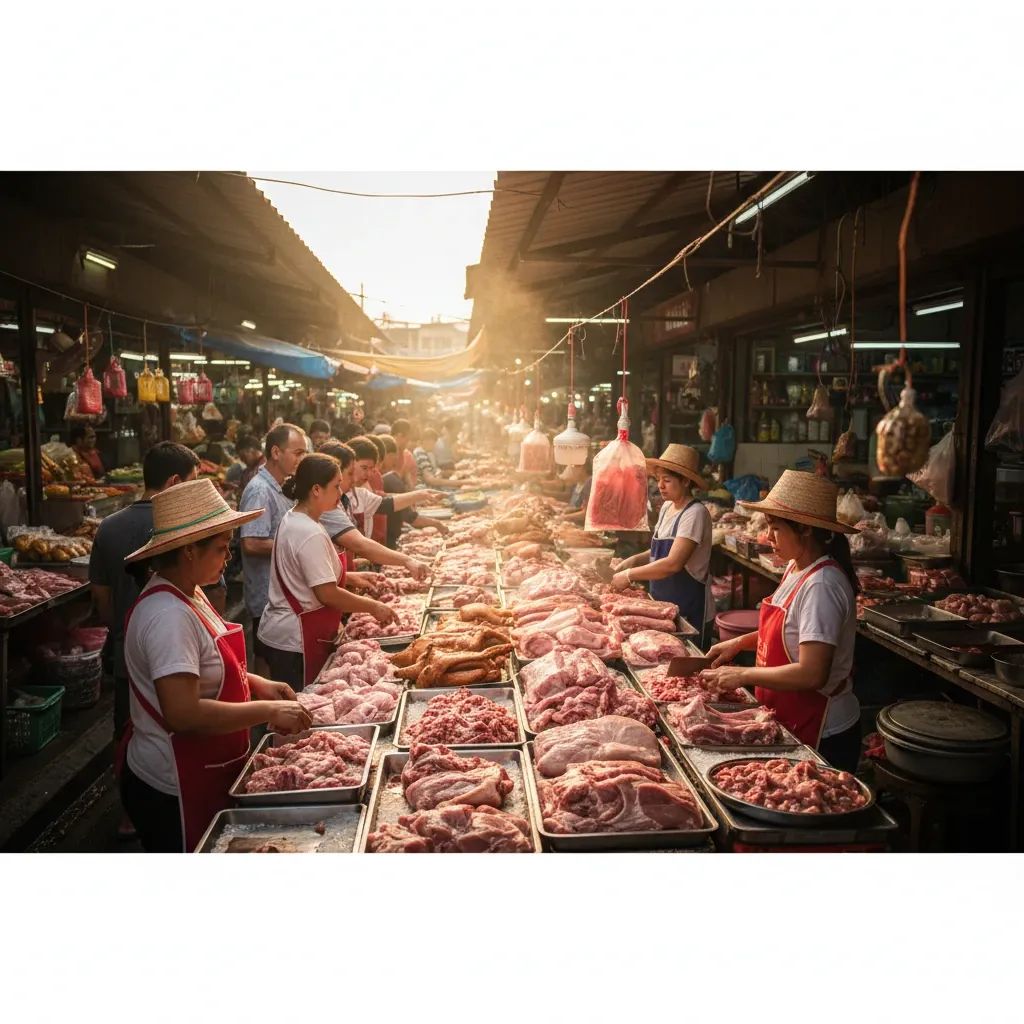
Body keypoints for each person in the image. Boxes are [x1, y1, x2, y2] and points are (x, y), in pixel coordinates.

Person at [120, 478, 312, 852]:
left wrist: (255, 683)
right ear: (190, 551)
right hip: (173, 783)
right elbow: (183, 713)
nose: (228, 558)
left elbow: (206, 668)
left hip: (205, 765)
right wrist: (268, 709)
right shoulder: (167, 616)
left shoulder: (189, 593)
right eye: (222, 548)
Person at [701, 470, 862, 770]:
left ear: (804, 530)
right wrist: (739, 643)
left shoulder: (821, 585)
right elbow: (789, 631)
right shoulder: (796, 567)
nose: (768, 536)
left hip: (823, 730)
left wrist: (744, 675)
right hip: (789, 715)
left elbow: (812, 673)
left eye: (775, 528)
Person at [90, 441, 202, 840]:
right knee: (171, 730)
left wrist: (125, 629)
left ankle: (127, 815)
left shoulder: (108, 528)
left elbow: (101, 601)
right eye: (192, 483)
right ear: (174, 482)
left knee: (131, 728)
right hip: (181, 648)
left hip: (127, 652)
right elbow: (186, 715)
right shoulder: (187, 529)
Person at [257, 454, 396, 688]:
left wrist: (351, 577)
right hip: (296, 638)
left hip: (293, 633)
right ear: (316, 490)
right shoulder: (308, 531)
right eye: (336, 486)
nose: (340, 492)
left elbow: (304, 575)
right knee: (302, 712)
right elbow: (327, 593)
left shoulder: (297, 518)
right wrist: (374, 607)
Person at [609, 445, 714, 644]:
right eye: (658, 480)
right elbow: (659, 552)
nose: (660, 486)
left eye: (667, 480)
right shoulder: (667, 507)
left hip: (689, 610)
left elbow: (673, 563)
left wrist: (629, 575)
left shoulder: (695, 513)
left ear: (685, 481)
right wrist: (633, 561)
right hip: (662, 606)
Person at [238, 423, 307, 673]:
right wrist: (295, 547)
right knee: (266, 660)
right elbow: (251, 542)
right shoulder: (260, 490)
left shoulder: (280, 487)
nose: (301, 459)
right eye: (297, 453)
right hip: (266, 597)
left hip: (279, 597)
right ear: (276, 452)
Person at [318, 441, 433, 574]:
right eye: (350, 473)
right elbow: (359, 545)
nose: (354, 479)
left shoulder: (345, 498)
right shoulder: (327, 509)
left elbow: (386, 503)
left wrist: (422, 494)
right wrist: (406, 560)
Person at [345, 435, 442, 540]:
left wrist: (421, 495)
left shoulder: (360, 492)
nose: (369, 474)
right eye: (364, 468)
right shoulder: (342, 497)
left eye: (371, 469)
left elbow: (385, 502)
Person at [378, 433, 449, 547]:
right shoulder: (390, 480)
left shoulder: (385, 478)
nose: (396, 460)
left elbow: (387, 498)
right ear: (387, 455)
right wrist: (437, 524)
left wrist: (420, 496)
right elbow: (410, 517)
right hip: (387, 541)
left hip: (383, 540)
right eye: (394, 456)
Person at [390, 418, 420, 490]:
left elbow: (410, 481)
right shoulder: (385, 452)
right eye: (407, 439)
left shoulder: (406, 454)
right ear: (399, 436)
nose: (408, 443)